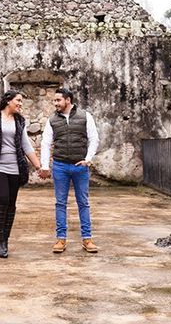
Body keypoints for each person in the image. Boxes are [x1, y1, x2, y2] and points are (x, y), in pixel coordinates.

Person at [0, 89, 42, 258]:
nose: (20, 104)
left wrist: (38, 166)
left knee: (11, 204)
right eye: (18, 100)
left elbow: (26, 145)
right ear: (8, 101)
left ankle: (4, 240)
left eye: (21, 101)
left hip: (16, 167)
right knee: (1, 201)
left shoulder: (20, 121)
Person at [40, 87, 100, 253]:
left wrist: (88, 160)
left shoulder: (85, 116)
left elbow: (94, 139)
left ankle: (87, 239)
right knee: (60, 203)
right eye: (54, 100)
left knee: (83, 203)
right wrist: (45, 166)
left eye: (58, 100)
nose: (55, 103)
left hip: (79, 167)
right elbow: (45, 143)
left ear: (68, 100)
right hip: (60, 166)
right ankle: (61, 239)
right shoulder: (52, 120)